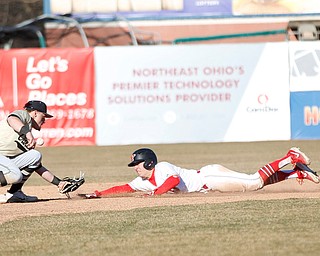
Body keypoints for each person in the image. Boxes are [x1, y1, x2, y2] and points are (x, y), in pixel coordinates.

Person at [82, 147, 319, 198]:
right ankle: (295, 173)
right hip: (210, 180)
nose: (135, 168)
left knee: (254, 182)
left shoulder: (163, 168)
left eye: (137, 164)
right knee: (258, 183)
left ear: (150, 163)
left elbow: (173, 180)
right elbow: (124, 187)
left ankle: (290, 157)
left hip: (209, 177)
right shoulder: (144, 180)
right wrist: (98, 193)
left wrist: (157, 195)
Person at [0, 100, 73, 203]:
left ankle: (14, 193)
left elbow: (37, 166)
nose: (44, 120)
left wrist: (59, 183)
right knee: (15, 175)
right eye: (43, 116)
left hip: (3, 160)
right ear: (35, 113)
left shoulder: (25, 131)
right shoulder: (24, 115)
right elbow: (12, 119)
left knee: (35, 156)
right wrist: (27, 133)